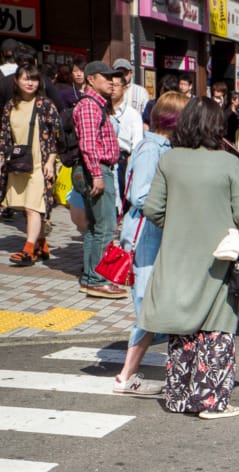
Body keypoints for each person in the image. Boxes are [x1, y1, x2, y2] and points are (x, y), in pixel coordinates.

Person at [139, 97, 239, 419]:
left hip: (177, 255)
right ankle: (210, 402)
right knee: (216, 326)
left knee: (183, 326)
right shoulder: (229, 163)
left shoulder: (170, 160)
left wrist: (176, 223)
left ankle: (179, 397)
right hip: (220, 257)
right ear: (217, 126)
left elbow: (152, 208)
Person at [112, 90, 188, 396]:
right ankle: (125, 375)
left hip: (152, 233)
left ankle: (130, 373)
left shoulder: (161, 147)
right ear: (175, 120)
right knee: (147, 305)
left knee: (152, 305)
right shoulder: (150, 149)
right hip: (145, 235)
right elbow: (140, 195)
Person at [72, 61, 126, 299]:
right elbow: (88, 144)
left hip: (97, 170)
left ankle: (90, 277)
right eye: (106, 77)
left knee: (96, 227)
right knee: (105, 227)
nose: (111, 81)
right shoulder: (89, 106)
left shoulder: (96, 105)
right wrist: (96, 174)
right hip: (96, 170)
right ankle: (96, 279)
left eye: (113, 77)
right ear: (91, 79)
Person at [0, 62, 62, 265]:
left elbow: (55, 136)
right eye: (26, 78)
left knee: (33, 207)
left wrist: (51, 161)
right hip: (19, 162)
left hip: (40, 162)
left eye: (34, 79)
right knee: (25, 205)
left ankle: (28, 250)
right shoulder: (10, 105)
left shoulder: (45, 104)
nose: (30, 83)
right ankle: (41, 243)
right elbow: (5, 136)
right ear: (16, 81)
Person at [111, 72, 144, 209]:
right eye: (110, 85)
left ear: (124, 88)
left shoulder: (133, 115)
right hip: (104, 159)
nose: (112, 88)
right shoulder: (101, 111)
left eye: (116, 85)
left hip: (123, 160)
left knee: (123, 205)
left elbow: (137, 143)